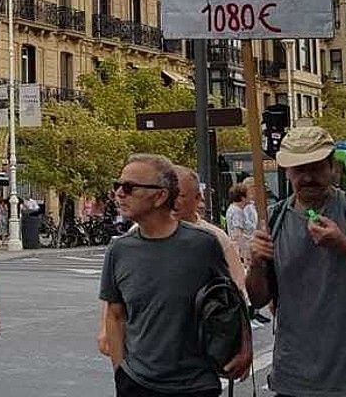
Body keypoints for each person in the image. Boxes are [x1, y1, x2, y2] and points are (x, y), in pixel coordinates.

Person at [246, 126, 346, 397]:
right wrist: (256, 263)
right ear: (287, 172)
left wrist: (343, 245)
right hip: (295, 378)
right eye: (299, 170)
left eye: (316, 167)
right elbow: (258, 299)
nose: (308, 177)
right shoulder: (274, 219)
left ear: (332, 167)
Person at [97, 155, 250, 396]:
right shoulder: (119, 250)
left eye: (128, 187)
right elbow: (115, 316)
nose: (119, 194)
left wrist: (243, 350)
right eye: (117, 186)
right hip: (138, 383)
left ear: (160, 196)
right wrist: (121, 374)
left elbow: (230, 301)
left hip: (195, 384)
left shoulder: (203, 244)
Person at [224, 183, 256, 266]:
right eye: (248, 194)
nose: (251, 196)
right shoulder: (237, 211)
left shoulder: (235, 209)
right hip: (241, 253)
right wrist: (245, 255)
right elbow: (238, 234)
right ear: (242, 198)